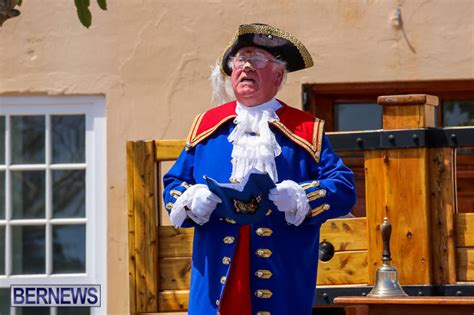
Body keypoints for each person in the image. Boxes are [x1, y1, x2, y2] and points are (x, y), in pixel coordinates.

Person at [163, 23, 356, 315]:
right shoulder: (207, 127)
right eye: (240, 61)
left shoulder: (305, 130)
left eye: (257, 61)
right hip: (217, 285)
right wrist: (190, 199)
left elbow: (343, 188)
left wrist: (302, 197)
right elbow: (173, 183)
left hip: (283, 285)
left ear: (278, 75)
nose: (246, 67)